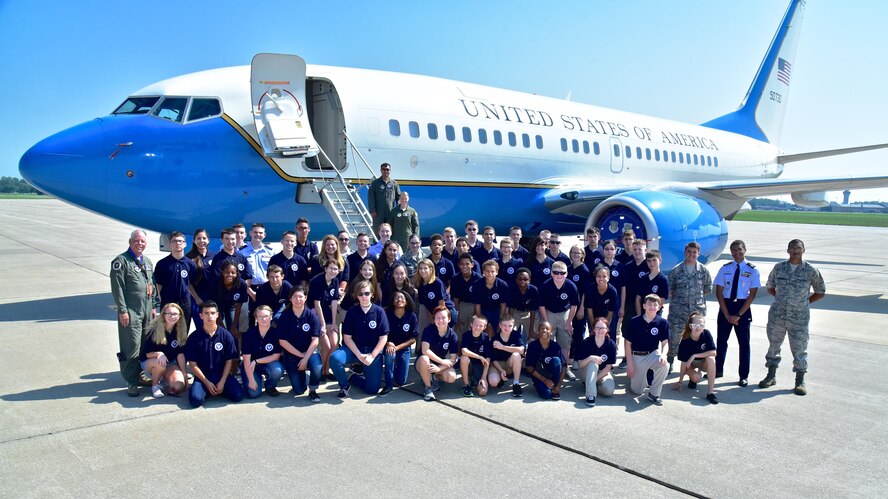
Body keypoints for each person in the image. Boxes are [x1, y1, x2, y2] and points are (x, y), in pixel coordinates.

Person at [760, 239, 826, 395]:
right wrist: (781, 300)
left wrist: (804, 302)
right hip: (778, 315)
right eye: (793, 248)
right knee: (774, 345)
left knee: (799, 348)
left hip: (799, 316)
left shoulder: (810, 270)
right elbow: (770, 287)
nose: (796, 251)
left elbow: (820, 291)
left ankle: (800, 380)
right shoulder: (779, 268)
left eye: (798, 248)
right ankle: (771, 375)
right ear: (788, 250)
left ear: (803, 250)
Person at [110, 229, 158, 397]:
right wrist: (122, 310)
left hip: (146, 311)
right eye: (136, 241)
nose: (140, 244)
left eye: (142, 241)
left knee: (145, 345)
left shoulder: (147, 262)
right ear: (130, 242)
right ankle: (131, 381)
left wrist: (153, 306)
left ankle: (140, 375)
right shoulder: (121, 262)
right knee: (131, 346)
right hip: (131, 312)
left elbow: (151, 286)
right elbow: (118, 289)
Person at [714, 240, 760, 387]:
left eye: (739, 250)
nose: (736, 253)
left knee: (744, 344)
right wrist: (727, 314)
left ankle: (743, 376)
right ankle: (717, 369)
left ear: (745, 250)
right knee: (721, 342)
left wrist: (738, 315)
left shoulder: (752, 270)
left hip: (743, 308)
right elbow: (719, 292)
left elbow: (752, 295)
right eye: (734, 250)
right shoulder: (725, 268)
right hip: (726, 306)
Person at [331, 281, 390, 397]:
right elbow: (347, 338)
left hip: (372, 352)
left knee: (372, 390)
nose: (364, 296)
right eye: (361, 294)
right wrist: (359, 355)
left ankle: (354, 378)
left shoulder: (379, 312)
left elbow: (383, 338)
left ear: (372, 294)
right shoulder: (352, 312)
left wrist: (372, 356)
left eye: (367, 293)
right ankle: (344, 384)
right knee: (335, 358)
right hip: (354, 350)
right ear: (357, 296)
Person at [185, 301, 244, 407]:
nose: (210, 316)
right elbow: (193, 365)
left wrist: (222, 381)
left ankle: (219, 388)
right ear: (201, 316)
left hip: (222, 375)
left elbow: (229, 361)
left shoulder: (226, 336)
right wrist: (206, 382)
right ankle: (208, 390)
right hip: (203, 377)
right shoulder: (193, 338)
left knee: (238, 396)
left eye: (212, 313)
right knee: (195, 401)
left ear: (217, 315)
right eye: (206, 313)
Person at [667, 242, 713, 370]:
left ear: (698, 253)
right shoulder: (676, 270)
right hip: (678, 311)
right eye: (689, 252)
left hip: (696, 312)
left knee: (696, 338)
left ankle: (695, 364)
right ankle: (670, 361)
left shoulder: (703, 271)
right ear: (685, 252)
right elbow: (671, 289)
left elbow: (707, 288)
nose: (691, 255)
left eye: (694, 252)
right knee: (674, 337)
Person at [276, 286, 323, 402]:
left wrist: (306, 357)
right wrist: (300, 356)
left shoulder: (311, 316)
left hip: (309, 352)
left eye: (300, 296)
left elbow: (315, 340)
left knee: (317, 366)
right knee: (299, 390)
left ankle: (313, 390)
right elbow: (282, 341)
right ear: (290, 299)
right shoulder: (284, 316)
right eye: (295, 297)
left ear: (305, 298)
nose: (298, 299)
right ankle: (304, 376)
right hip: (292, 355)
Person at [624, 294, 670, 405]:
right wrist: (630, 363)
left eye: (655, 304)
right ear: (644, 306)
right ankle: (639, 379)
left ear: (659, 307)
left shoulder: (662, 322)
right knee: (637, 391)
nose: (652, 307)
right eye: (649, 304)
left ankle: (653, 394)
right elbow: (627, 343)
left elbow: (665, 342)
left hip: (652, 354)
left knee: (665, 365)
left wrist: (663, 355)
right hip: (637, 356)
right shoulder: (634, 321)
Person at [537, 261, 579, 377]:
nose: (559, 275)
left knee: (565, 343)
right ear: (551, 273)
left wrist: (569, 322)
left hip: (564, 314)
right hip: (549, 313)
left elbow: (574, 305)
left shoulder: (571, 286)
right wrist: (546, 322)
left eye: (562, 273)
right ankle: (546, 367)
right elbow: (541, 306)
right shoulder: (545, 286)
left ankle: (565, 369)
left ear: (566, 274)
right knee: (546, 340)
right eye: (556, 273)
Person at [140, 303, 188, 399]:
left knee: (178, 387)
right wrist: (159, 353)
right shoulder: (154, 330)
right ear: (163, 315)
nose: (172, 316)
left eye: (175, 314)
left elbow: (180, 354)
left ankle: (164, 379)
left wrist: (184, 374)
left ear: (179, 316)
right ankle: (155, 385)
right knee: (160, 363)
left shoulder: (180, 331)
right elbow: (147, 354)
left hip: (169, 363)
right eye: (169, 314)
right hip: (151, 362)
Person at [671, 312, 719, 404]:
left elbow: (713, 352)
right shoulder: (685, 339)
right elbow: (684, 362)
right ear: (690, 326)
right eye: (695, 325)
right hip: (690, 364)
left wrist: (694, 356)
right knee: (696, 378)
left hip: (702, 362)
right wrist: (680, 381)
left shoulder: (706, 334)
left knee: (711, 359)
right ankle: (692, 377)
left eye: (701, 325)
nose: (698, 327)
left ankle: (710, 393)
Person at [154, 231, 198, 329]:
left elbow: (191, 283)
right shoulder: (162, 264)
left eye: (180, 241)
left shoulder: (190, 264)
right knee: (167, 331)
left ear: (185, 244)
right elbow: (159, 284)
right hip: (168, 302)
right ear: (170, 244)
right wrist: (162, 300)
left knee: (183, 331)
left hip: (185, 303)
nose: (177, 243)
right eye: (174, 241)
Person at [416, 305, 460, 401]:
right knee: (424, 358)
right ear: (434, 319)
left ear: (449, 319)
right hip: (423, 362)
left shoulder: (453, 335)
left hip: (438, 363)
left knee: (451, 377)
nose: (440, 320)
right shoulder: (429, 330)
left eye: (444, 317)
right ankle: (428, 388)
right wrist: (443, 362)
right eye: (438, 318)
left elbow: (453, 359)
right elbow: (425, 350)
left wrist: (439, 368)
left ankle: (434, 377)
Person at [241, 305, 284, 398]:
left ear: (271, 317)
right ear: (256, 318)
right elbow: (246, 359)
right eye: (260, 317)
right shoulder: (249, 334)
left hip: (267, 363)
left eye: (266, 316)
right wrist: (251, 380)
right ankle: (254, 379)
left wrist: (256, 361)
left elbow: (276, 356)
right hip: (250, 366)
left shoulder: (275, 333)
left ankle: (270, 386)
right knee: (254, 394)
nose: (263, 319)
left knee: (277, 370)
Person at [382, 290, 419, 395]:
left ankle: (395, 367)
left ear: (406, 302)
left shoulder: (411, 316)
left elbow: (413, 339)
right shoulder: (386, 314)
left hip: (403, 349)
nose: (399, 300)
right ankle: (388, 384)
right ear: (393, 302)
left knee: (401, 381)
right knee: (390, 354)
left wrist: (397, 348)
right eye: (396, 298)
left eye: (402, 298)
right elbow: (382, 333)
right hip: (389, 346)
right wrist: (388, 343)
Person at [309, 259, 341, 379]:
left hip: (327, 312)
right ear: (326, 269)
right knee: (326, 345)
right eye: (331, 268)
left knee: (334, 343)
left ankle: (327, 371)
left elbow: (334, 302)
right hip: (315, 314)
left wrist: (334, 323)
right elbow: (316, 305)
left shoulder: (336, 281)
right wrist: (322, 325)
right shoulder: (317, 281)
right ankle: (320, 371)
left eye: (336, 269)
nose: (333, 271)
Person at [239, 222, 274, 331]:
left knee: (267, 318)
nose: (257, 235)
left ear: (264, 235)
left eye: (260, 233)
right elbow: (240, 275)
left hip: (267, 289)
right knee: (248, 320)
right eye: (255, 232)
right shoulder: (242, 252)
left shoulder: (270, 252)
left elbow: (274, 271)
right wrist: (250, 291)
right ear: (250, 233)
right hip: (248, 289)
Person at [575, 317, 617, 407]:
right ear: (593, 329)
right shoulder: (586, 342)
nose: (600, 330)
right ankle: (590, 395)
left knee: (609, 390)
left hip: (602, 373)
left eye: (602, 328)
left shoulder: (611, 344)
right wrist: (590, 358)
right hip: (585, 372)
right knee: (593, 363)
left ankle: (590, 385)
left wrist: (594, 380)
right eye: (597, 327)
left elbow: (608, 367)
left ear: (607, 330)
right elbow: (580, 364)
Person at [524, 321, 567, 400]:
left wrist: (559, 385)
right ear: (538, 331)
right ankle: (541, 385)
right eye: (542, 328)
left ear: (551, 332)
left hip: (552, 375)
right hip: (539, 376)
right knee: (547, 394)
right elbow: (529, 367)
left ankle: (554, 386)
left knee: (556, 361)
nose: (544, 330)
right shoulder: (532, 346)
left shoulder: (555, 346)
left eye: (547, 329)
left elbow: (564, 366)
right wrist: (544, 380)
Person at [414, 258, 456, 333]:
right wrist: (433, 320)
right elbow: (425, 304)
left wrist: (438, 319)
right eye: (420, 268)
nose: (422, 271)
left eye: (425, 268)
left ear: (431, 269)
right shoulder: (420, 284)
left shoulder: (437, 283)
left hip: (445, 311)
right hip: (433, 313)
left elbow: (441, 304)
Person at [185, 228, 215, 331]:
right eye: (198, 238)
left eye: (204, 238)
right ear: (194, 240)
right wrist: (197, 298)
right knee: (201, 327)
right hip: (197, 298)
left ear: (208, 240)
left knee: (212, 326)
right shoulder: (188, 258)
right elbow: (187, 281)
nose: (202, 241)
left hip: (212, 297)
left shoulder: (213, 256)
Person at [488, 314, 525, 397]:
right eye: (504, 325)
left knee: (516, 355)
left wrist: (502, 347)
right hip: (498, 364)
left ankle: (516, 383)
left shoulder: (516, 335)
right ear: (500, 325)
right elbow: (493, 359)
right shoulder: (495, 338)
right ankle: (501, 377)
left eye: (510, 326)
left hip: (510, 363)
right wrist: (501, 370)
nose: (507, 328)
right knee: (493, 382)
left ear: (513, 326)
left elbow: (522, 350)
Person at [213, 261, 248, 344]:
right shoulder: (216, 283)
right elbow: (214, 307)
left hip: (232, 307)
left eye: (233, 272)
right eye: (227, 272)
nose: (229, 275)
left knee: (234, 330)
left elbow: (239, 305)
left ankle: (237, 353)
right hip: (218, 308)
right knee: (221, 331)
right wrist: (222, 326)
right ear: (222, 272)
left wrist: (234, 325)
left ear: (237, 273)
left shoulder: (241, 284)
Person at [567, 244, 591, 371]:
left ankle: (577, 358)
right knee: (568, 332)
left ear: (582, 255)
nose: (576, 255)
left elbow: (585, 292)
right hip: (568, 307)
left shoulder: (584, 270)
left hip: (579, 307)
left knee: (578, 333)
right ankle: (569, 356)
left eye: (578, 253)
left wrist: (582, 308)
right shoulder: (568, 269)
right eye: (573, 252)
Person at [472, 259, 509, 334]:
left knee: (498, 330)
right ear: (483, 272)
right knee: (481, 328)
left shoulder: (503, 285)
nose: (490, 273)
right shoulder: (477, 284)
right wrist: (479, 319)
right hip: (483, 310)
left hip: (497, 310)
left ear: (497, 272)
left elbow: (503, 304)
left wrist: (501, 319)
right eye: (487, 271)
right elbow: (477, 304)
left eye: (492, 271)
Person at [584, 266, 620, 342]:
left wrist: (605, 326)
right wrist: (594, 327)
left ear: (608, 277)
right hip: (593, 315)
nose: (601, 279)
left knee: (608, 337)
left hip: (607, 316)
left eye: (604, 276)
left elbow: (611, 311)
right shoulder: (590, 289)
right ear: (595, 277)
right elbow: (589, 310)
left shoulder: (612, 291)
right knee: (594, 336)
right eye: (599, 276)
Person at [459, 315, 492, 397]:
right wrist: (479, 357)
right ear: (471, 324)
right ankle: (466, 385)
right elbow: (464, 351)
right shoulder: (466, 335)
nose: (477, 327)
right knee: (464, 358)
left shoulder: (485, 337)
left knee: (482, 392)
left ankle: (475, 381)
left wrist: (484, 377)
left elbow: (487, 358)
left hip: (479, 367)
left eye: (481, 325)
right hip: (469, 365)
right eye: (475, 324)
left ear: (484, 327)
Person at [450, 253, 481, 334]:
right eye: (462, 264)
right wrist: (457, 316)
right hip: (461, 306)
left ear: (472, 264)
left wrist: (477, 313)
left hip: (475, 305)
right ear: (459, 265)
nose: (464, 266)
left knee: (473, 330)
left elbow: (479, 298)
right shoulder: (455, 278)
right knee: (459, 329)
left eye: (467, 264)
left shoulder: (478, 278)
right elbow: (455, 298)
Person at [507, 268, 538, 342]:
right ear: (516, 280)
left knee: (533, 336)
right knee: (509, 332)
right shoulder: (512, 288)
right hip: (515, 313)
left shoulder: (533, 290)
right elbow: (510, 308)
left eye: (525, 279)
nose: (522, 281)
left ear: (529, 280)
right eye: (520, 279)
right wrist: (510, 322)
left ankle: (531, 352)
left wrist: (531, 330)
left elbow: (533, 310)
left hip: (528, 314)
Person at [368, 162, 400, 233]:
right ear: (381, 170)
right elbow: (371, 198)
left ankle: (389, 244)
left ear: (390, 171)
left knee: (389, 230)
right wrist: (372, 211)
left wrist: (398, 209)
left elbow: (398, 197)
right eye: (384, 169)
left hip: (390, 212)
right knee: (378, 231)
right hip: (378, 213)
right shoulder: (375, 183)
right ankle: (377, 243)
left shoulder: (394, 183)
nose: (386, 171)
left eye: (387, 169)